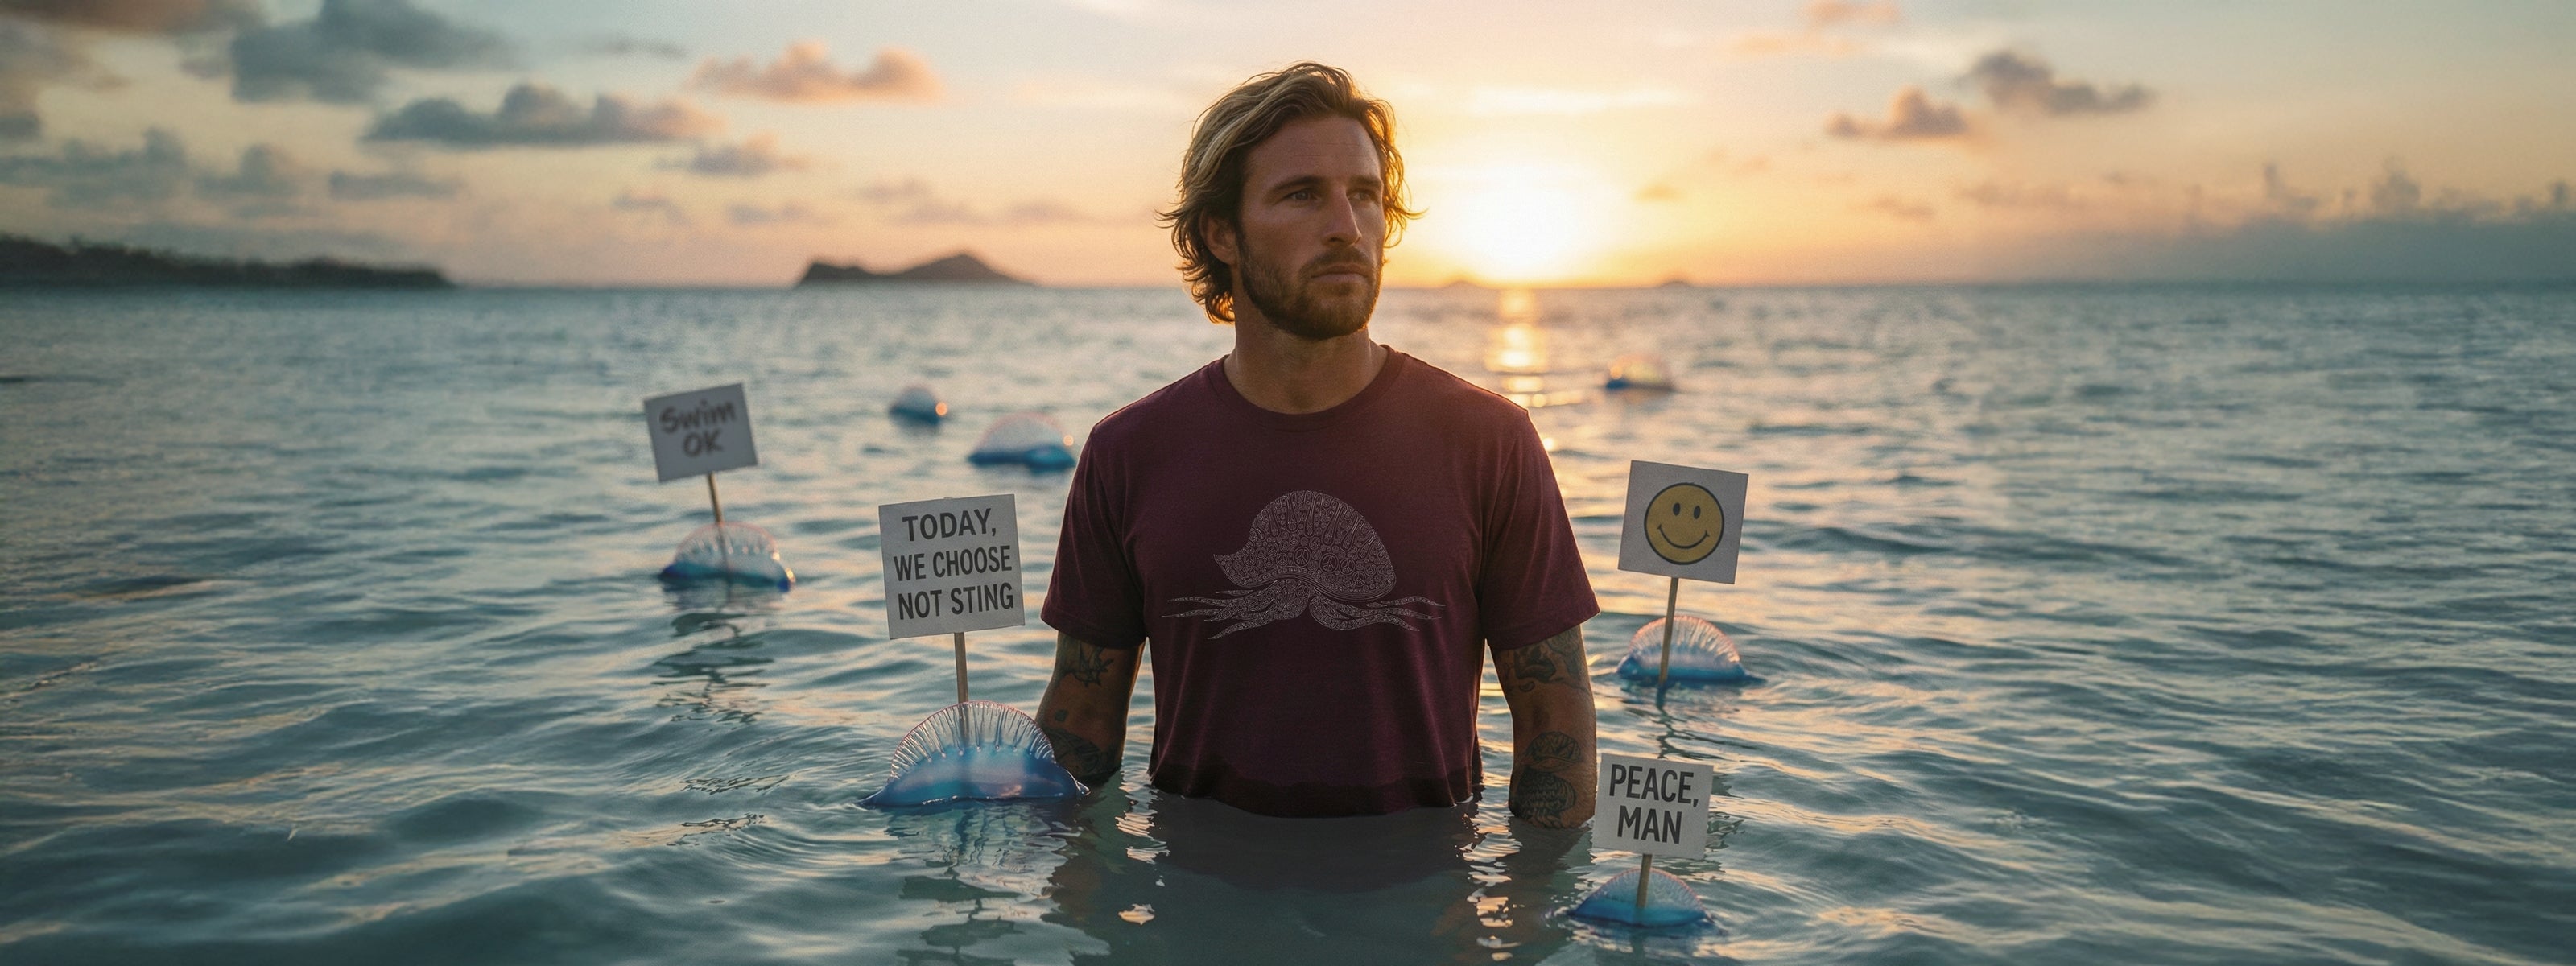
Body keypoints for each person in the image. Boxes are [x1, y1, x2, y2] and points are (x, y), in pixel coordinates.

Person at [1034, 61, 1599, 826]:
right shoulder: (1128, 452)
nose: (1347, 225)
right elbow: (1081, 722)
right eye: (1303, 194)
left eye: (1365, 195)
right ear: (1221, 232)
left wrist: (1522, 924)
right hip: (1196, 905)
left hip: (1423, 904)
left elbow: (1554, 723)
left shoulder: (1490, 441)